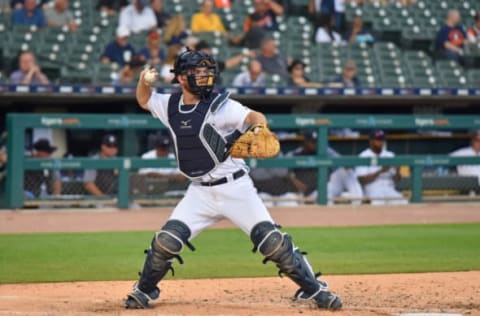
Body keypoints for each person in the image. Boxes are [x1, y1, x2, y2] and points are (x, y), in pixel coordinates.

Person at [124, 48, 342, 310]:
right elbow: (144, 99)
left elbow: (253, 116)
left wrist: (259, 128)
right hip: (199, 192)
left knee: (272, 242)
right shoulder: (170, 105)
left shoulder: (220, 106)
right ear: (181, 78)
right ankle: (144, 290)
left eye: (207, 72)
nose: (205, 77)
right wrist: (143, 81)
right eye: (198, 72)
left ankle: (315, 290)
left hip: (235, 187)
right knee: (166, 241)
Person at [288, 130, 363, 205]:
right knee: (326, 201)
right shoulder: (295, 154)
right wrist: (296, 182)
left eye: (317, 142)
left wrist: (347, 166)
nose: (316, 144)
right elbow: (284, 172)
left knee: (345, 171)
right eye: (313, 142)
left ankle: (357, 203)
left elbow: (341, 161)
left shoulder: (325, 150)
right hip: (312, 192)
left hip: (328, 186)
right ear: (305, 142)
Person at [355, 130, 407, 205]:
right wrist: (380, 171)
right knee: (378, 204)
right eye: (378, 140)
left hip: (389, 189)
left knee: (403, 203)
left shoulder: (390, 155)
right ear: (371, 141)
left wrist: (398, 171)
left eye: (382, 140)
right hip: (373, 190)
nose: (381, 142)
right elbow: (362, 180)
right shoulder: (364, 155)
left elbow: (397, 180)